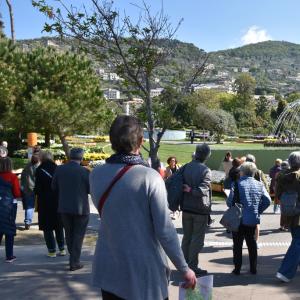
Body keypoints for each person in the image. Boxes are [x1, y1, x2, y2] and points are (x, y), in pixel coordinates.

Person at [90, 115, 196, 300]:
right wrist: (184, 268)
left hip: (109, 267)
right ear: (140, 141)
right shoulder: (149, 177)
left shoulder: (96, 174)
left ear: (111, 140)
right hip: (143, 272)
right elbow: (164, 230)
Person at [227, 162, 271, 275]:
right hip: (252, 219)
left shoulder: (237, 184)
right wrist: (258, 210)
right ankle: (253, 268)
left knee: (237, 244)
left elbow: (229, 202)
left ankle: (237, 268)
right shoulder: (259, 184)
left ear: (242, 172)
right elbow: (268, 201)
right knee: (251, 244)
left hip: (238, 219)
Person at [52, 147, 90, 271]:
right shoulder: (85, 172)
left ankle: (73, 258)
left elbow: (54, 187)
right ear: (82, 158)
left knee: (69, 234)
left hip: (64, 207)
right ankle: (74, 261)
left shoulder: (60, 169)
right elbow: (90, 189)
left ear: (69, 157)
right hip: (81, 208)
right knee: (78, 235)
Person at [181, 143, 212, 276]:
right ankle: (192, 266)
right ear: (207, 155)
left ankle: (184, 264)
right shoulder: (205, 170)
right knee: (196, 239)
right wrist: (192, 190)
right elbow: (202, 190)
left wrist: (187, 190)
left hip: (186, 207)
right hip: (199, 209)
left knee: (187, 237)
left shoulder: (186, 167)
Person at [35, 151, 65, 258]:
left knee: (47, 227)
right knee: (59, 226)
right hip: (58, 201)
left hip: (44, 202)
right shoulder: (58, 168)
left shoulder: (39, 170)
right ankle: (62, 249)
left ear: (42, 158)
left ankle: (51, 251)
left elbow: (37, 189)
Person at [275, 152, 300, 283]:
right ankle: (284, 272)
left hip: (288, 214)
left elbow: (277, 195)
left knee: (296, 239)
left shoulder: (282, 175)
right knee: (298, 243)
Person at [245, 154, 269, 248]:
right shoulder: (259, 171)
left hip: (245, 197)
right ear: (254, 161)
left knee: (242, 221)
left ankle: (239, 241)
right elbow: (265, 184)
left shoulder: (241, 170)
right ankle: (255, 242)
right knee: (256, 222)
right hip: (256, 198)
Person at [0, 157, 21, 262]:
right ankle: (9, 255)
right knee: (9, 229)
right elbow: (17, 193)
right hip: (9, 206)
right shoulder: (13, 177)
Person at [21, 154, 40, 229]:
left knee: (29, 206)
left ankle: (27, 222)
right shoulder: (39, 167)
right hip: (36, 188)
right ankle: (40, 220)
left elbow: (22, 177)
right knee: (39, 206)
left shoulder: (27, 166)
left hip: (27, 188)